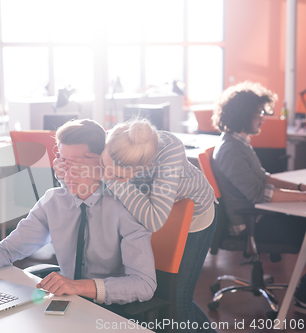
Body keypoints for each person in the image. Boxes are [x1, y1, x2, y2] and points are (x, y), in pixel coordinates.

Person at [54, 119, 217, 332]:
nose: (108, 175)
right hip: (147, 208)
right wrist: (66, 174)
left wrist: (107, 176)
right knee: (164, 291)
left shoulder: (170, 152)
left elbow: (154, 219)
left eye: (119, 176)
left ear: (144, 168)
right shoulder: (119, 140)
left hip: (193, 215)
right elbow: (90, 190)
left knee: (178, 296)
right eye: (104, 164)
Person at [0, 119, 156, 309]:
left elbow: (144, 284)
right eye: (63, 162)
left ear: (101, 162)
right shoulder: (53, 201)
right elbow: (8, 250)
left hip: (108, 308)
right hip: (67, 303)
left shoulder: (125, 209)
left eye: (77, 164)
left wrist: (78, 286)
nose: (68, 172)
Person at [211, 81, 306, 305]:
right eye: (259, 113)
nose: (263, 118)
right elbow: (257, 193)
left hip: (258, 215)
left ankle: (302, 291)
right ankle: (303, 295)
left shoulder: (239, 143)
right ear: (245, 115)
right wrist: (303, 198)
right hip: (249, 224)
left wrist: (300, 188)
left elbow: (264, 177)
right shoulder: (231, 150)